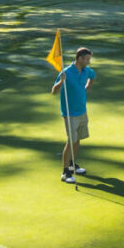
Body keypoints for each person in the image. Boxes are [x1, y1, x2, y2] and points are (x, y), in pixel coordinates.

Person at [52, 46, 95, 182]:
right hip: (70, 113)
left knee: (77, 141)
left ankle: (72, 165)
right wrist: (60, 82)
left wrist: (87, 87)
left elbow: (92, 76)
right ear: (80, 58)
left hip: (82, 111)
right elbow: (54, 91)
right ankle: (65, 173)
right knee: (71, 141)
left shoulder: (86, 71)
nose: (89, 62)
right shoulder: (66, 72)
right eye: (87, 59)